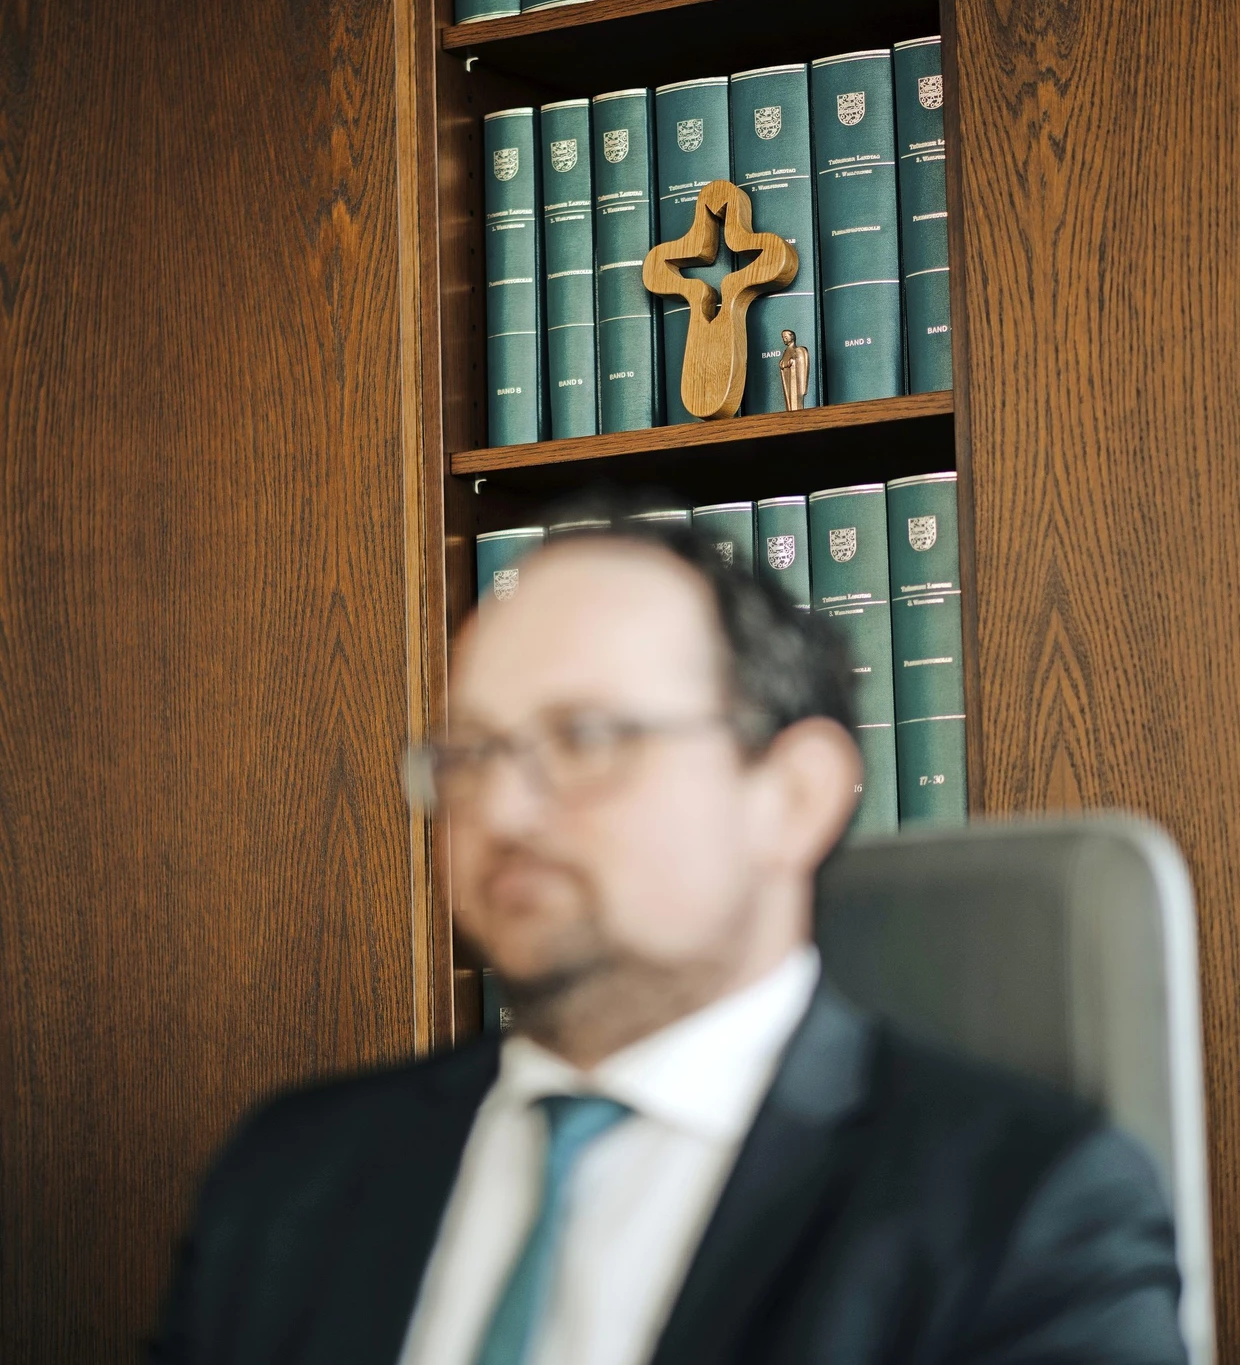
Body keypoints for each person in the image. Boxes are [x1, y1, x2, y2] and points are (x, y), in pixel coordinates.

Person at [151, 511, 1188, 1365]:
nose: (503, 811)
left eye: (587, 739)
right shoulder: (286, 1176)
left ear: (793, 797)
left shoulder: (1026, 1209)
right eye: (469, 753)